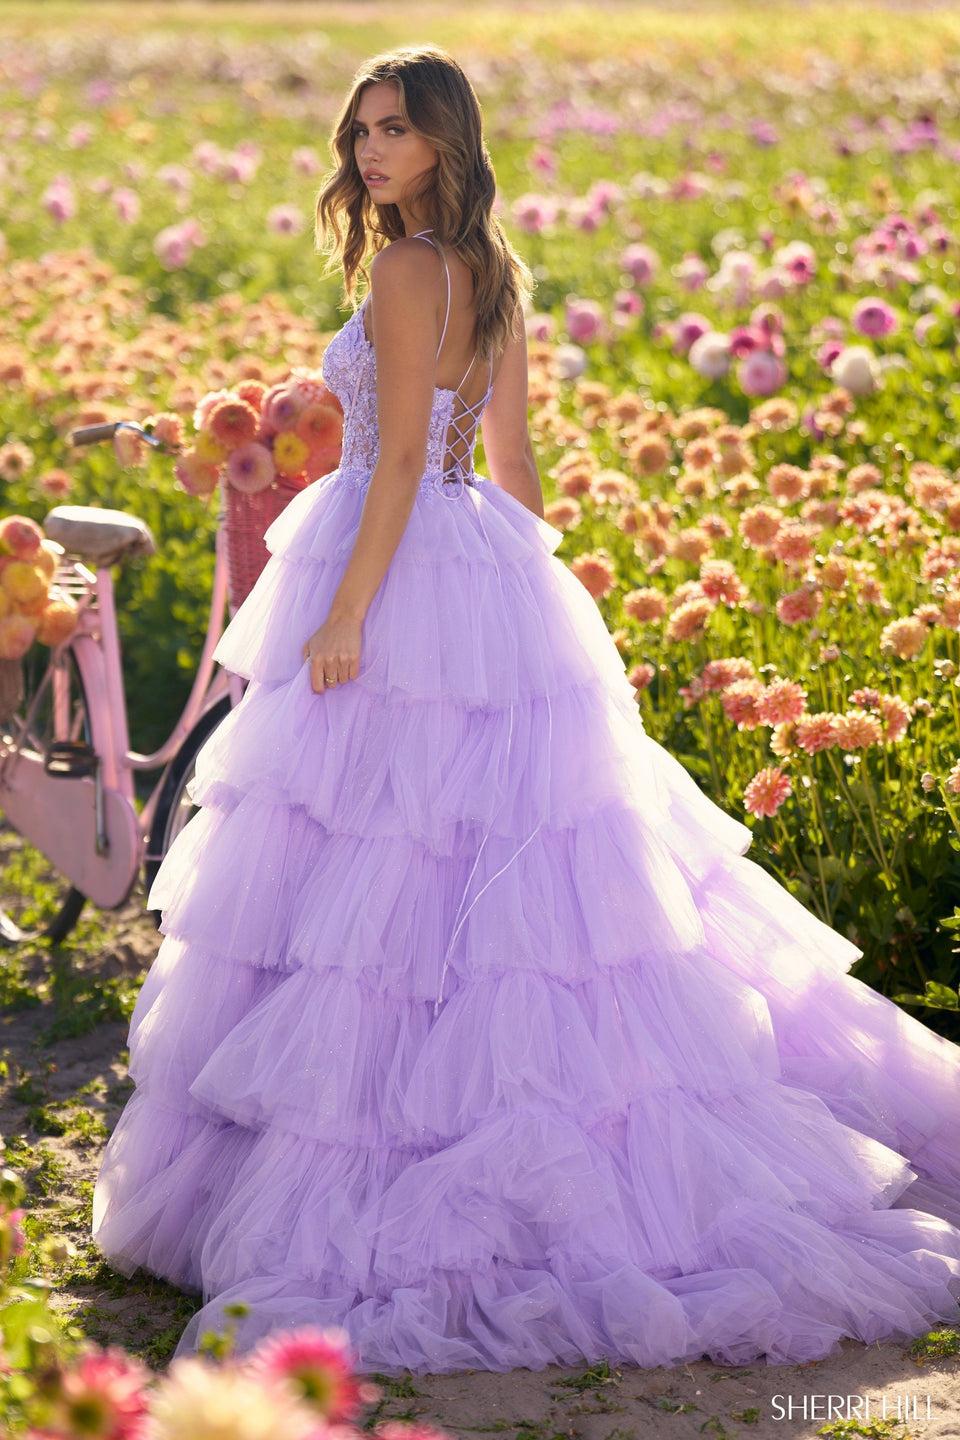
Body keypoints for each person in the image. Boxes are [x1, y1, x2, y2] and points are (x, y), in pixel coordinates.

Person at [92, 44, 960, 1375]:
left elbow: (388, 475)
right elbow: (517, 470)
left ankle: (380, 1168)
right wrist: (517, 621)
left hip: (387, 571)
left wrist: (349, 613)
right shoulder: (494, 275)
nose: (372, 152)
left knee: (371, 886)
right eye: (362, 131)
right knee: (475, 879)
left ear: (446, 142)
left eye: (396, 131)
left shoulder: (400, 270)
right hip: (482, 568)